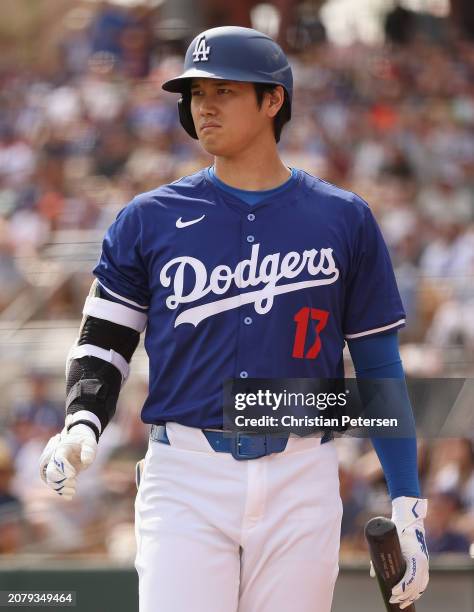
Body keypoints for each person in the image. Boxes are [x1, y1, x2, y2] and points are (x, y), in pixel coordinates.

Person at [39, 26, 429, 612]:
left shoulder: (344, 219)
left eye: (224, 90)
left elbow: (379, 368)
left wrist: (407, 501)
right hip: (186, 473)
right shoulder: (147, 219)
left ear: (273, 101)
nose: (205, 106)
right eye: (196, 94)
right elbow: (104, 343)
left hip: (303, 472)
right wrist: (81, 423)